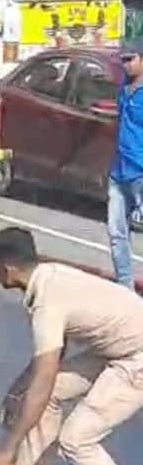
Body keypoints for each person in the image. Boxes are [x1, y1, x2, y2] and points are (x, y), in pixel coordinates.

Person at [0, 227, 143, 465]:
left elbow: (43, 379)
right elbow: (54, 353)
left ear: (6, 268)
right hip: (118, 344)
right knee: (46, 393)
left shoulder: (47, 304)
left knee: (76, 439)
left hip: (136, 356)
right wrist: (18, 388)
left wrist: (7, 447)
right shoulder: (48, 275)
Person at [108, 39, 143, 291]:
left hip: (140, 173)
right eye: (123, 60)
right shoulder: (124, 89)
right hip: (119, 172)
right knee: (116, 232)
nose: (126, 65)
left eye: (130, 59)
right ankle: (125, 287)